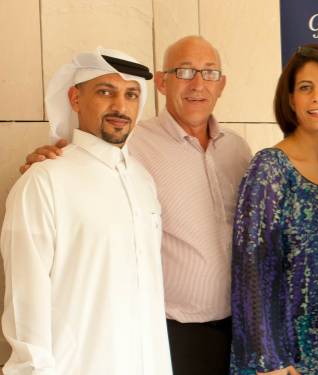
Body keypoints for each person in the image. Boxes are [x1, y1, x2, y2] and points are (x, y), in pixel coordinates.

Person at [19, 36, 253, 374]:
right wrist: (44, 161)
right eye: (184, 71)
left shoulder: (238, 149)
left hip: (237, 330)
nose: (198, 84)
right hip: (172, 332)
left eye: (210, 72)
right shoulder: (130, 143)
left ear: (223, 84)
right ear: (161, 82)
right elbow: (85, 161)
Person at [1, 48, 172, 374]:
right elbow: (25, 309)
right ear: (75, 98)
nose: (121, 107)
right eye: (106, 92)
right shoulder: (44, 181)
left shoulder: (143, 180)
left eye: (131, 95)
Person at [229, 44, 318, 375]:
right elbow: (252, 270)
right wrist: (270, 360)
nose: (317, 97)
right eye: (306, 88)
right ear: (291, 100)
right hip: (284, 357)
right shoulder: (271, 169)